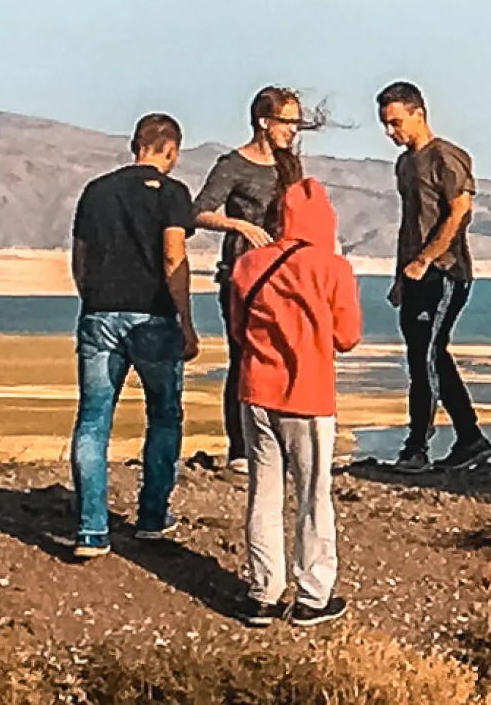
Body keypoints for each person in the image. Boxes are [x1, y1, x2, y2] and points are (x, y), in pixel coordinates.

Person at [65, 113, 228, 559]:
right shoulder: (172, 194)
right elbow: (174, 256)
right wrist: (187, 323)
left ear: (134, 144)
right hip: (154, 318)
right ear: (171, 150)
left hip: (99, 315)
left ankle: (91, 530)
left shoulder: (96, 191)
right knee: (164, 416)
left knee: (93, 421)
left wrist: (93, 297)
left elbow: (79, 258)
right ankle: (152, 517)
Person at [228, 171, 362, 627]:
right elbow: (348, 337)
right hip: (309, 396)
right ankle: (312, 596)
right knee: (313, 497)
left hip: (256, 393)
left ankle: (263, 591)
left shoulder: (249, 264)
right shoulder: (332, 268)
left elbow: (237, 332)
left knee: (263, 494)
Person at [378, 81, 491, 473]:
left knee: (426, 355)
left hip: (445, 272)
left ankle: (416, 447)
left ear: (418, 114)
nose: (391, 132)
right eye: (386, 125)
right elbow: (409, 223)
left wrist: (427, 259)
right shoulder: (404, 164)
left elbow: (459, 212)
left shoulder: (445, 157)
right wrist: (401, 275)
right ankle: (471, 439)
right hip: (414, 274)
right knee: (427, 356)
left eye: (396, 122)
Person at [192, 88, 300, 468]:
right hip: (242, 273)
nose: (293, 130)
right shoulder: (232, 165)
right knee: (243, 357)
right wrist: (239, 225)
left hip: (284, 275)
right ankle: (240, 447)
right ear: (264, 122)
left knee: (283, 355)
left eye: (297, 122)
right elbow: (199, 212)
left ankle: (278, 442)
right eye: (287, 122)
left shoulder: (290, 166)